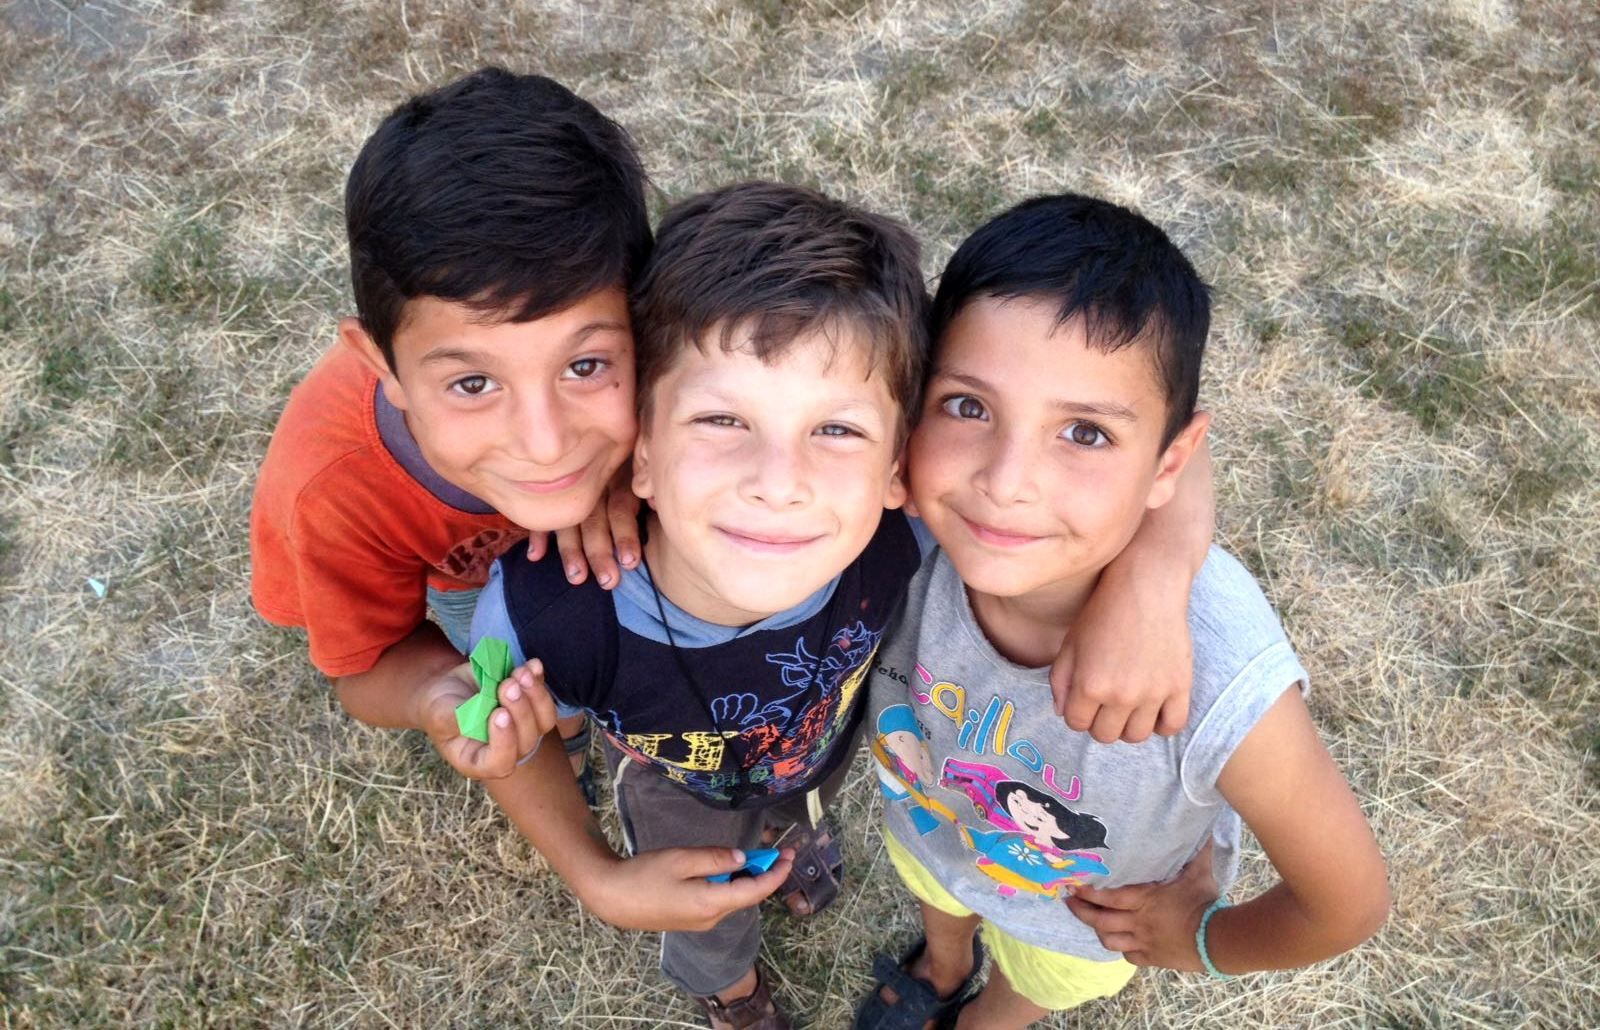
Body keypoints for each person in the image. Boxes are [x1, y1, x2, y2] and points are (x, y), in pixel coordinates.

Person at [471, 182, 1213, 1030]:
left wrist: (1155, 575)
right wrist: (593, 873)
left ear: (901, 465)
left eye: (837, 431)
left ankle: (794, 851)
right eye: (721, 419)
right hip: (674, 792)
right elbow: (511, 736)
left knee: (793, 819)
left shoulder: (903, 533)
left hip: (817, 757)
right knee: (709, 913)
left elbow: (1171, 445)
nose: (779, 485)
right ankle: (732, 995)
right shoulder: (549, 607)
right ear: (638, 453)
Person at [856, 193, 1390, 1029]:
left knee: (1021, 991)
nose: (1007, 479)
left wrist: (1202, 941)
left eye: (1087, 434)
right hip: (931, 829)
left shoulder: (1217, 677)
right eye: (969, 406)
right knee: (938, 893)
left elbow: (1348, 902)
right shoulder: (903, 527)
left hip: (1074, 926)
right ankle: (943, 962)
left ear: (1169, 461)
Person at [249, 67, 649, 793]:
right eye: (473, 383)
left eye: (585, 365)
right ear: (383, 368)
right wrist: (435, 690)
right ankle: (565, 742)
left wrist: (625, 472)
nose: (544, 442)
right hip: (452, 566)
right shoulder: (333, 491)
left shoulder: (673, 374)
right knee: (523, 672)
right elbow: (367, 666)